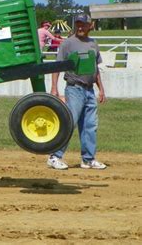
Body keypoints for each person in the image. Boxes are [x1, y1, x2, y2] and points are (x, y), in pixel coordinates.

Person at [47, 14, 107, 170]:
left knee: (90, 125)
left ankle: (88, 159)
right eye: (78, 24)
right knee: (70, 122)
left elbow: (96, 68)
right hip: (74, 88)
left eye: (83, 24)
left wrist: (101, 89)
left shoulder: (93, 43)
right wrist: (54, 88)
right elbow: (57, 66)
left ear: (90, 26)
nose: (80, 27)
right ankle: (55, 156)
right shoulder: (68, 43)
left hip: (89, 90)